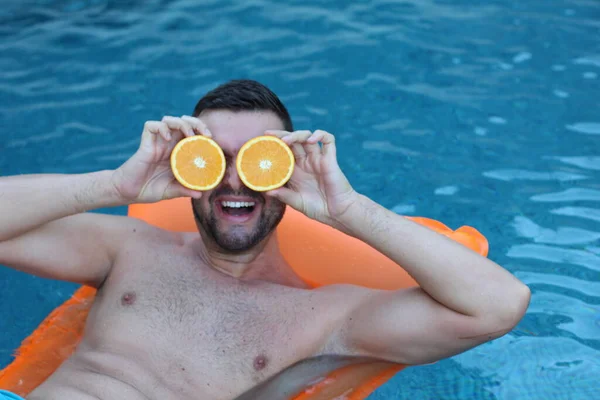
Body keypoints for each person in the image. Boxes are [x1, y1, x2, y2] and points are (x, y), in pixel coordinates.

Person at [0, 79, 530, 400]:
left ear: (287, 169)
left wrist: (347, 210)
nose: (234, 179)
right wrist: (114, 184)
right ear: (189, 167)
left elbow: (498, 307)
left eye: (257, 160)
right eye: (214, 158)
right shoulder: (129, 249)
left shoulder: (326, 317)